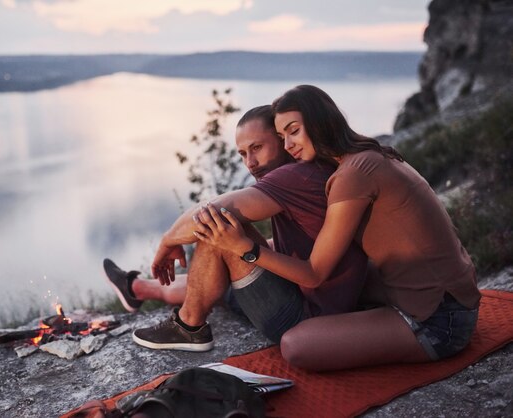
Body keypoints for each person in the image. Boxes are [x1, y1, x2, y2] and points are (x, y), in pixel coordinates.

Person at [193, 85, 481, 371]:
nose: (288, 144)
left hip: (440, 322)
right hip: (451, 297)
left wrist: (246, 249)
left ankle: (188, 320)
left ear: (320, 121)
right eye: (282, 137)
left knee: (296, 345)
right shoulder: (370, 155)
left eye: (294, 131)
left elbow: (314, 274)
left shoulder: (353, 175)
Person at [105, 105, 367, 352]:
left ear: (282, 141)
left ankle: (188, 326)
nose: (250, 162)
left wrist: (167, 241)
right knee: (217, 266)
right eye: (243, 154)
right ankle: (137, 288)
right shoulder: (312, 170)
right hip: (307, 297)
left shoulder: (294, 176)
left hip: (306, 319)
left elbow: (210, 213)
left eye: (257, 148)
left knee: (217, 228)